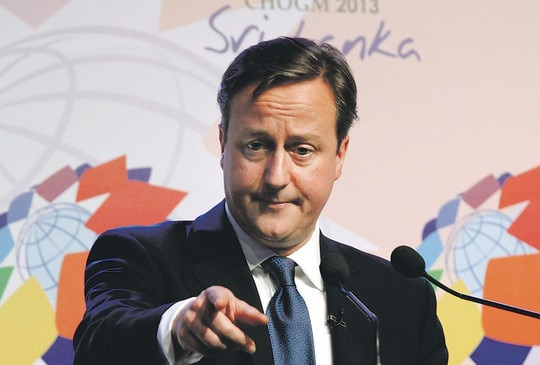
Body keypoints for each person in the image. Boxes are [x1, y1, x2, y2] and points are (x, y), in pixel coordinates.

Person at [73, 37, 448, 365]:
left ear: (339, 156)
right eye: (256, 146)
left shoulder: (400, 297)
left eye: (302, 150)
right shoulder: (140, 256)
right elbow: (100, 343)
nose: (276, 177)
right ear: (223, 145)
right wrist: (177, 329)